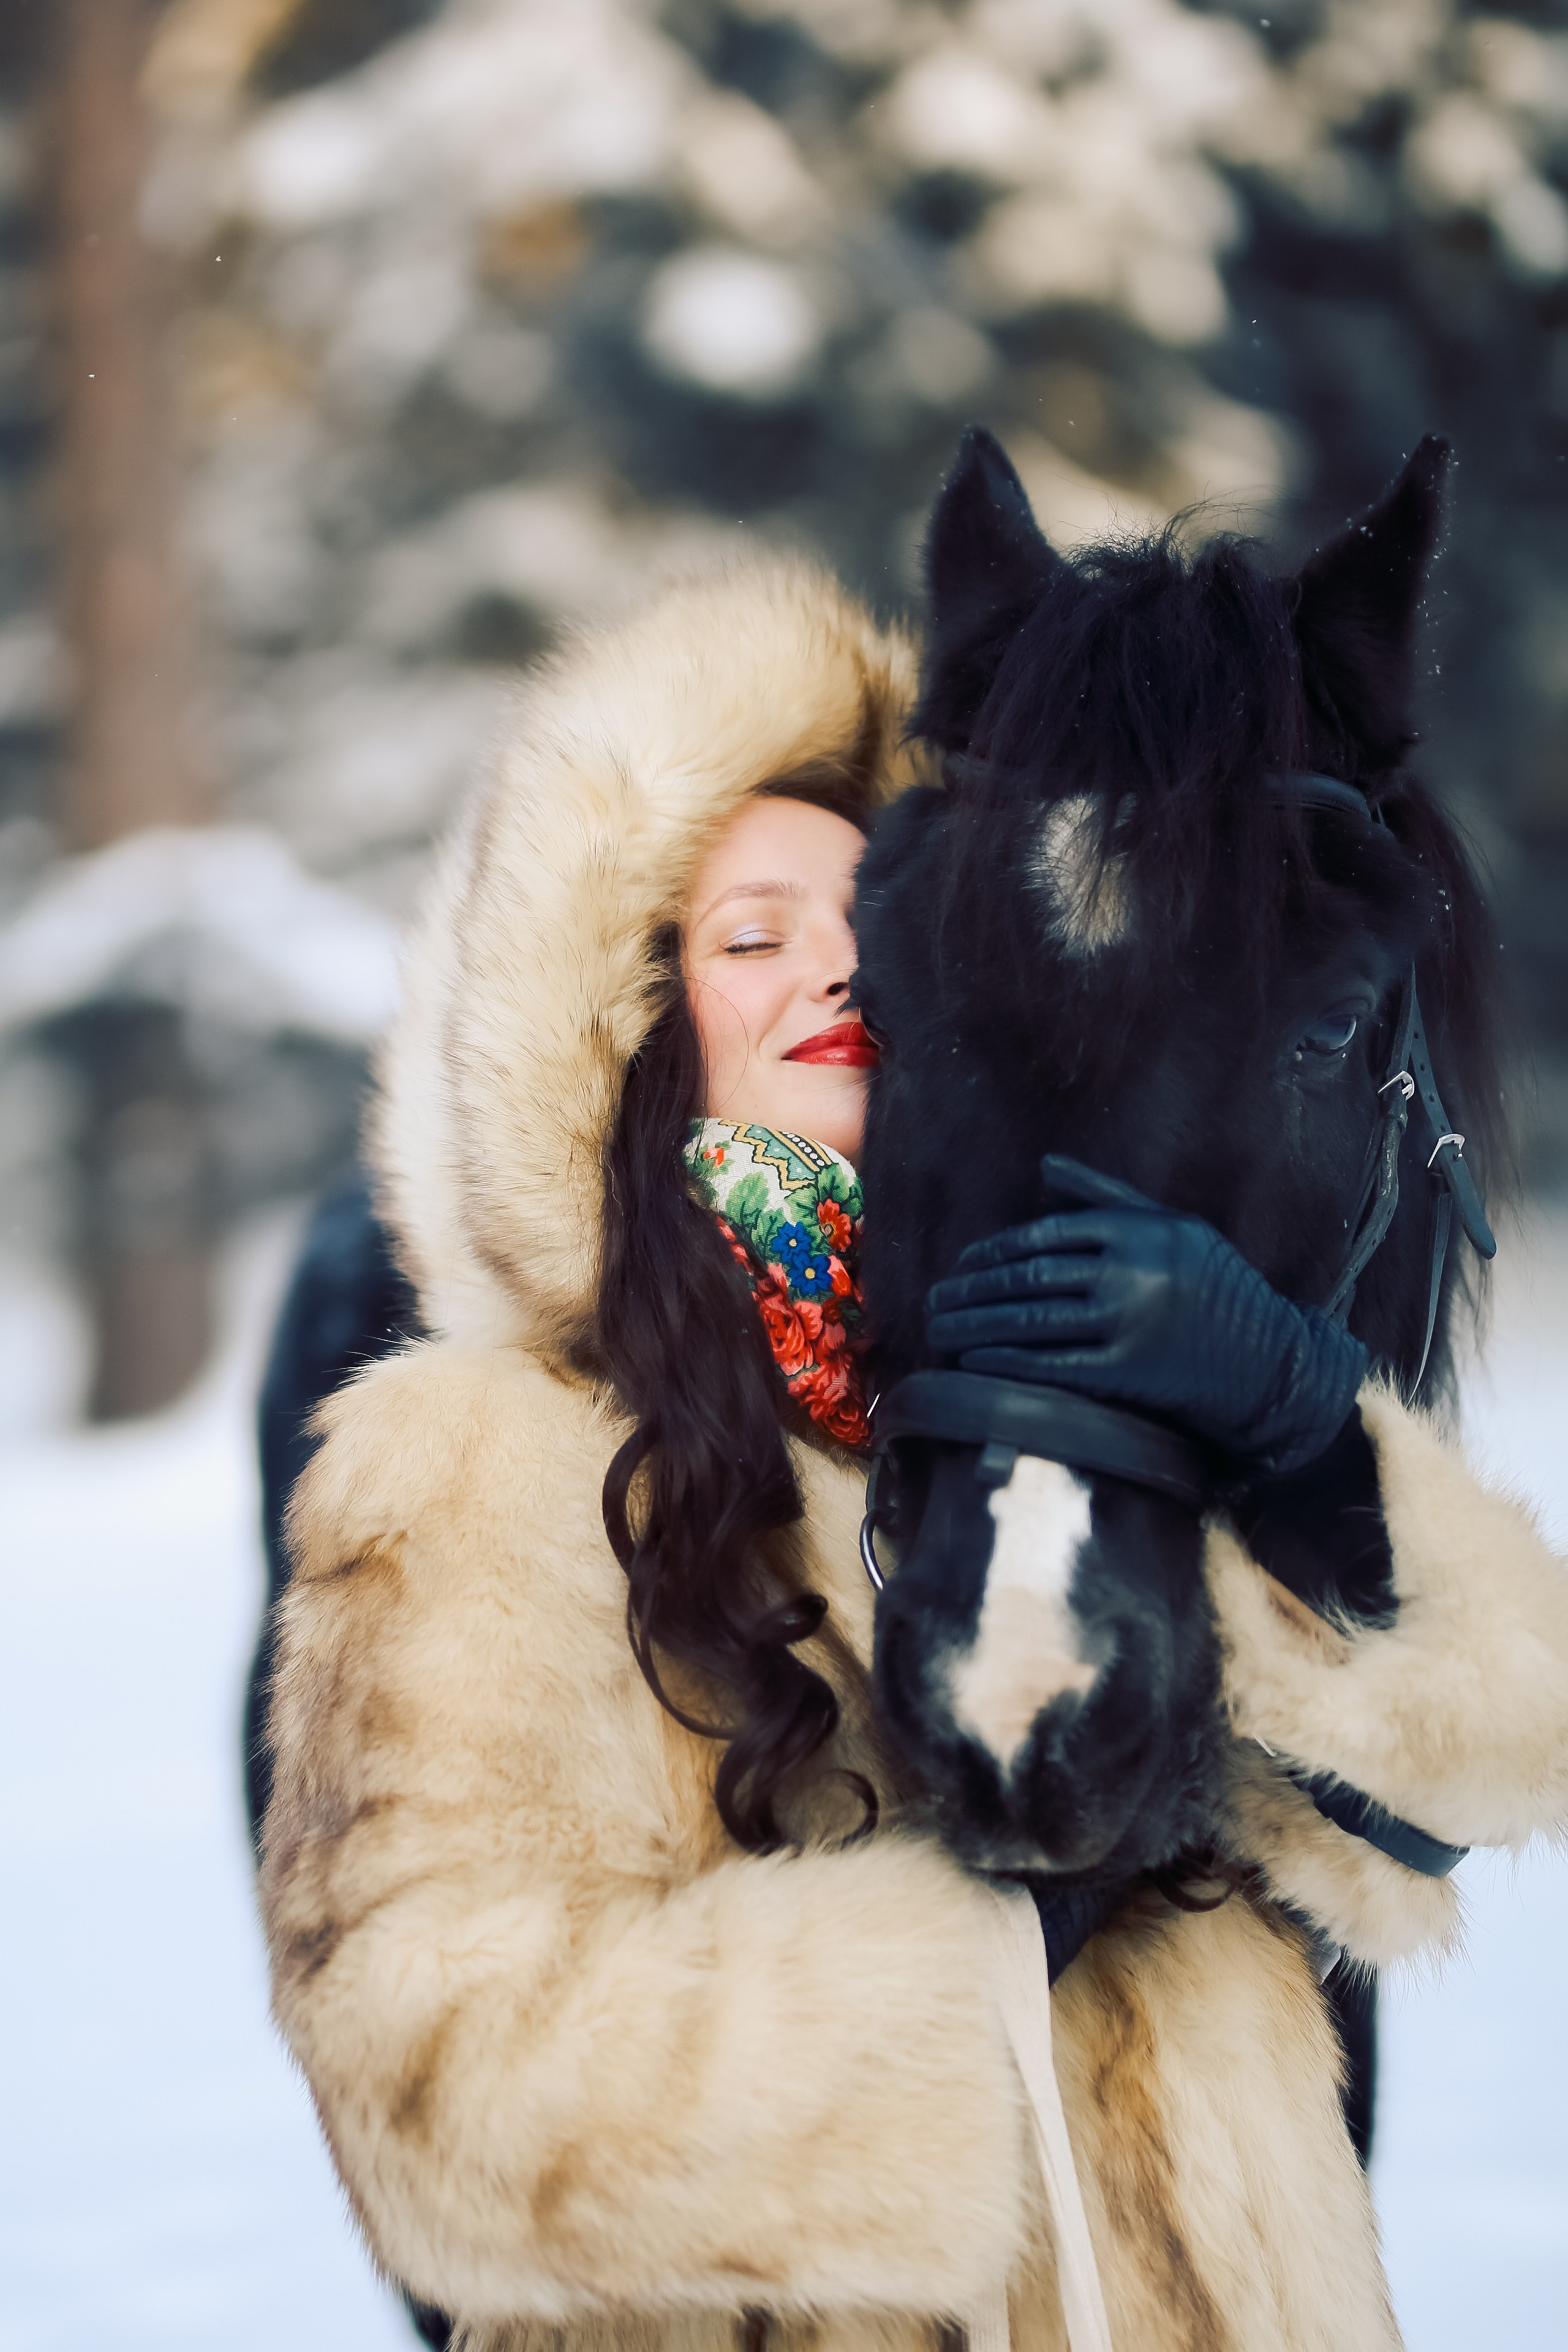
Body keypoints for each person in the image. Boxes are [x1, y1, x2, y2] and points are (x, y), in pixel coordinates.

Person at [255, 559, 1568, 2351]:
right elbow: (440, 2087)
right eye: (749, 937)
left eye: (876, 908)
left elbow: (1484, 1771)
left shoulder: (1057, 1397)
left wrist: (1300, 1426)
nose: (836, 962)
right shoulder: (487, 1458)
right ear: (635, 1050)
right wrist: (992, 1961)